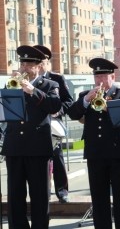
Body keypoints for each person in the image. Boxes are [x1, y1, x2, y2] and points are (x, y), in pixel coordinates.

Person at [67, 58, 120, 229]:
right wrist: (86, 100)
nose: (100, 81)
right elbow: (73, 113)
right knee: (98, 197)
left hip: (118, 152)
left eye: (103, 76)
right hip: (95, 153)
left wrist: (107, 107)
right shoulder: (86, 95)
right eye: (97, 77)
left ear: (112, 76)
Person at [1, 45, 61, 229]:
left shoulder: (50, 85)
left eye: (29, 64)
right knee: (15, 196)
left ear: (38, 66)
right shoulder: (11, 84)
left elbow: (55, 106)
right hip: (15, 146)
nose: (24, 68)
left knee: (40, 196)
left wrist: (31, 91)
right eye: (23, 64)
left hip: (37, 148)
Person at [34, 44, 73, 203]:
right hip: (35, 126)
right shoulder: (28, 79)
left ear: (47, 62)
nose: (41, 64)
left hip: (53, 126)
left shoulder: (56, 78)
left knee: (57, 157)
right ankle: (42, 191)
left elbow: (69, 101)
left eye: (43, 61)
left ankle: (62, 191)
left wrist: (58, 111)